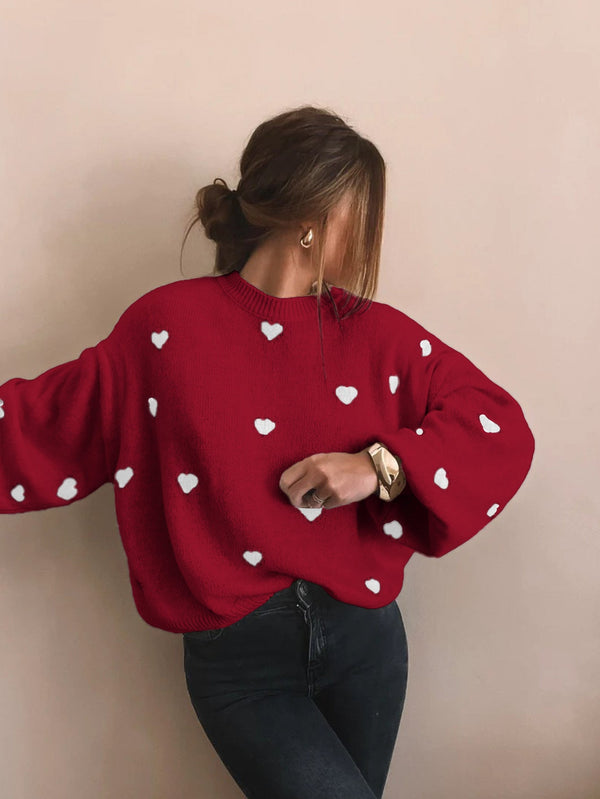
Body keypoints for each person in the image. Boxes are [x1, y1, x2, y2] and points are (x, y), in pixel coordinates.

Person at [0, 104, 535, 799]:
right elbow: (40, 424)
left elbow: (499, 426)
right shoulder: (164, 329)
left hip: (367, 646)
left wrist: (377, 467)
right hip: (240, 662)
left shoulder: (380, 337)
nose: (372, 234)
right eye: (363, 210)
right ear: (315, 215)